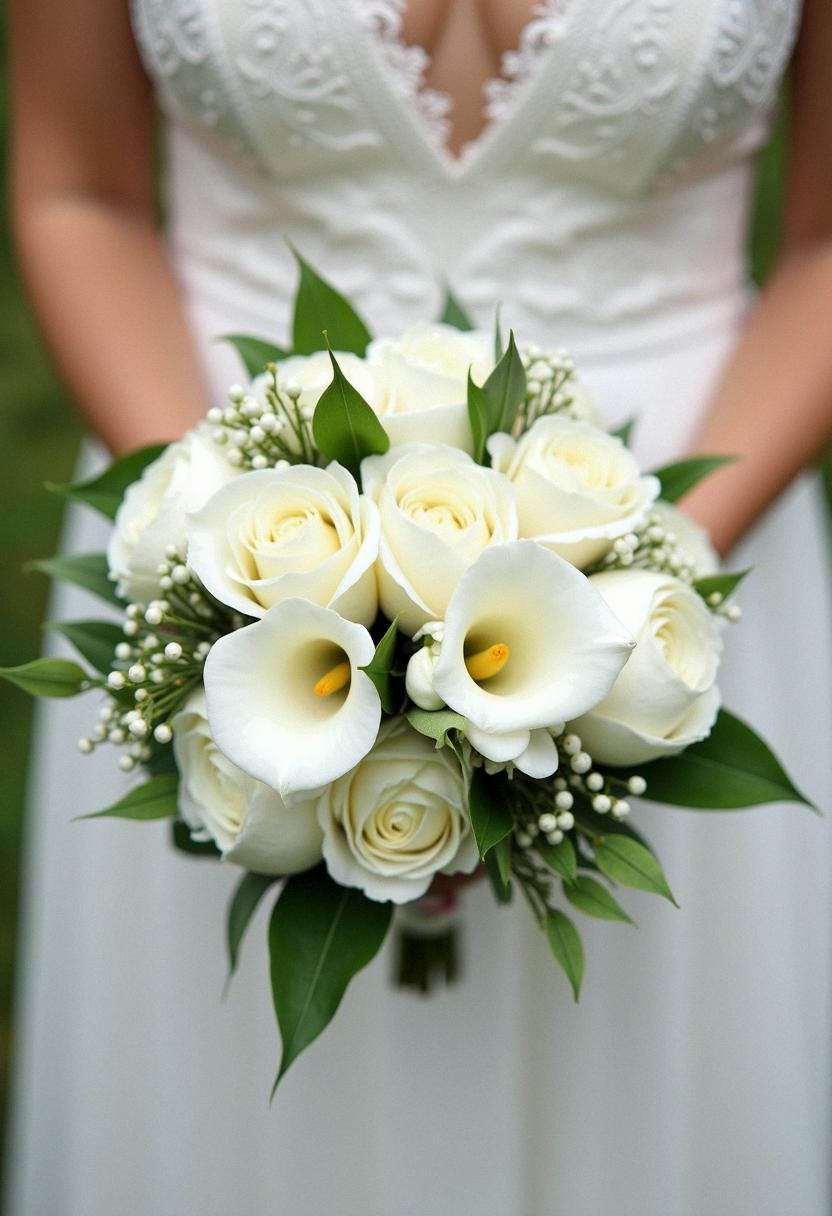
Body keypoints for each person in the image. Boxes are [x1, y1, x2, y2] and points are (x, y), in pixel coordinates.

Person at [6, 1, 832, 1213]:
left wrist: (641, 583)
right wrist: (226, 580)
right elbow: (80, 193)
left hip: (691, 544)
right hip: (226, 531)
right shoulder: (224, 578)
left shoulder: (662, 578)